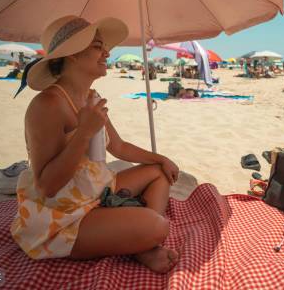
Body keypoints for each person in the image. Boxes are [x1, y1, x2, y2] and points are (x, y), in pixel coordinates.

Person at [11, 16, 179, 272]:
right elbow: (47, 186)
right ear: (73, 54)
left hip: (97, 191)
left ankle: (139, 240)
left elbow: (119, 147)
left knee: (158, 173)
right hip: (64, 214)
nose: (107, 52)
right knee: (157, 227)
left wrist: (161, 159)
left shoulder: (91, 97)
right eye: (98, 46)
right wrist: (84, 133)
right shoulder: (47, 105)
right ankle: (143, 241)